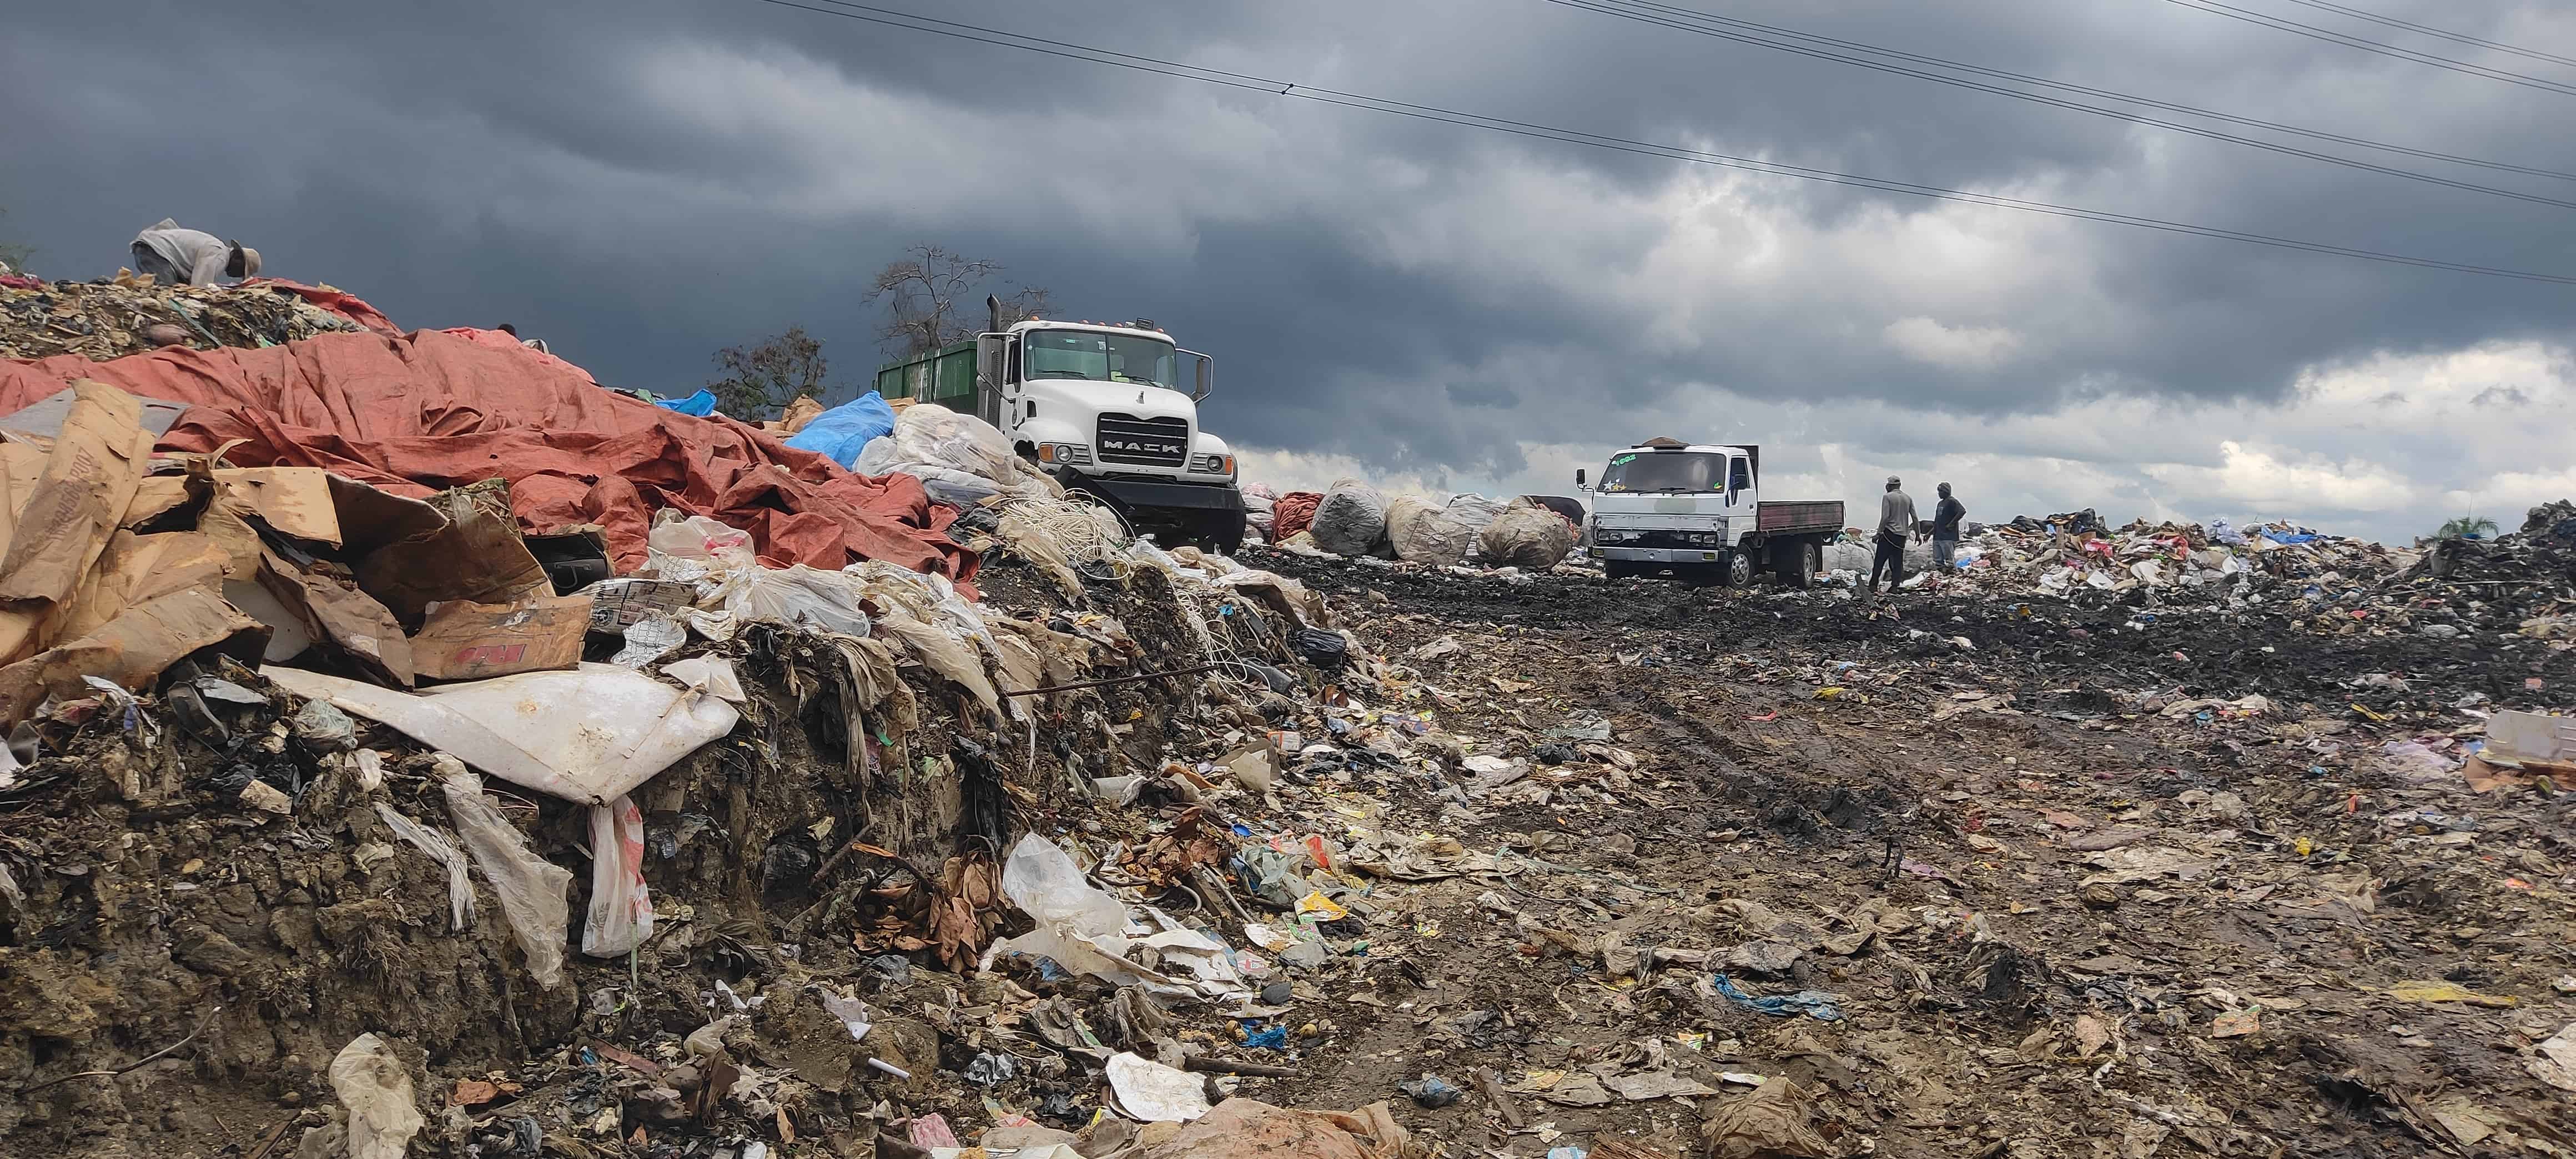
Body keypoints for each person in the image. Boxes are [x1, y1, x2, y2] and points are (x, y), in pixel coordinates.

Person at [129, 219, 259, 286]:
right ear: (237, 257)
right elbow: (198, 287)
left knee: (173, 289)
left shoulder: (214, 246)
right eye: (241, 271)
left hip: (150, 248)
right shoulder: (220, 255)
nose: (236, 276)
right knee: (168, 292)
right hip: (156, 252)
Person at [1868, 475, 1916, 597]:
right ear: (1899, 485)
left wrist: (1878, 533)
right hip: (1902, 536)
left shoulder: (1887, 497)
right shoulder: (1908, 498)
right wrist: (1918, 534)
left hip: (1889, 533)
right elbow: (1915, 517)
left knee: (1880, 560)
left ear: (1889, 486)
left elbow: (1885, 517)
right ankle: (1895, 586)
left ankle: (1873, 585)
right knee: (1897, 561)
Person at [1929, 482, 1966, 575]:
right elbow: (1937, 521)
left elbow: (1962, 511)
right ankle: (1941, 576)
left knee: (1949, 560)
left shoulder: (1952, 501)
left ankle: (1952, 576)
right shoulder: (1940, 504)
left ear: (1946, 491)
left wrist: (1951, 524)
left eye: (1941, 491)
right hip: (1938, 536)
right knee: (1938, 560)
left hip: (1948, 536)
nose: (1939, 493)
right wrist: (1930, 533)